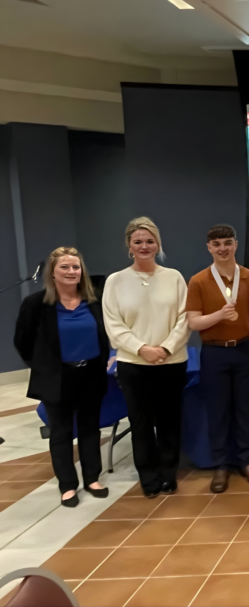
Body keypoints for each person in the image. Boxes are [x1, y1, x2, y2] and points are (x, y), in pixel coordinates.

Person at [14, 247, 110, 507]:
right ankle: (67, 485)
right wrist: (43, 366)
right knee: (61, 432)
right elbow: (22, 341)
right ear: (52, 273)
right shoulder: (36, 304)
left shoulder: (94, 300)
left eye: (75, 267)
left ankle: (92, 478)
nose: (71, 272)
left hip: (91, 374)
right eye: (64, 267)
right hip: (57, 378)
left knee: (91, 429)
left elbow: (105, 334)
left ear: (82, 272)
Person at [103, 217, 190, 498]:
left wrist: (165, 348)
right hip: (134, 365)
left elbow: (184, 318)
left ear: (158, 244)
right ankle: (149, 477)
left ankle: (168, 474)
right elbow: (114, 325)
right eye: (138, 241)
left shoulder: (174, 277)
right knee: (140, 423)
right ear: (129, 245)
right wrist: (143, 349)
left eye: (150, 241)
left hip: (172, 362)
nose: (144, 246)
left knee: (169, 421)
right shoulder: (115, 281)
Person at [186, 225, 249, 493]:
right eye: (216, 244)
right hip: (214, 351)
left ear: (236, 245)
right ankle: (221, 465)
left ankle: (247, 462)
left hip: (245, 350)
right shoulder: (198, 281)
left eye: (227, 243)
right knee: (218, 411)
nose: (222, 248)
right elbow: (193, 322)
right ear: (209, 248)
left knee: (246, 408)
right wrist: (219, 315)